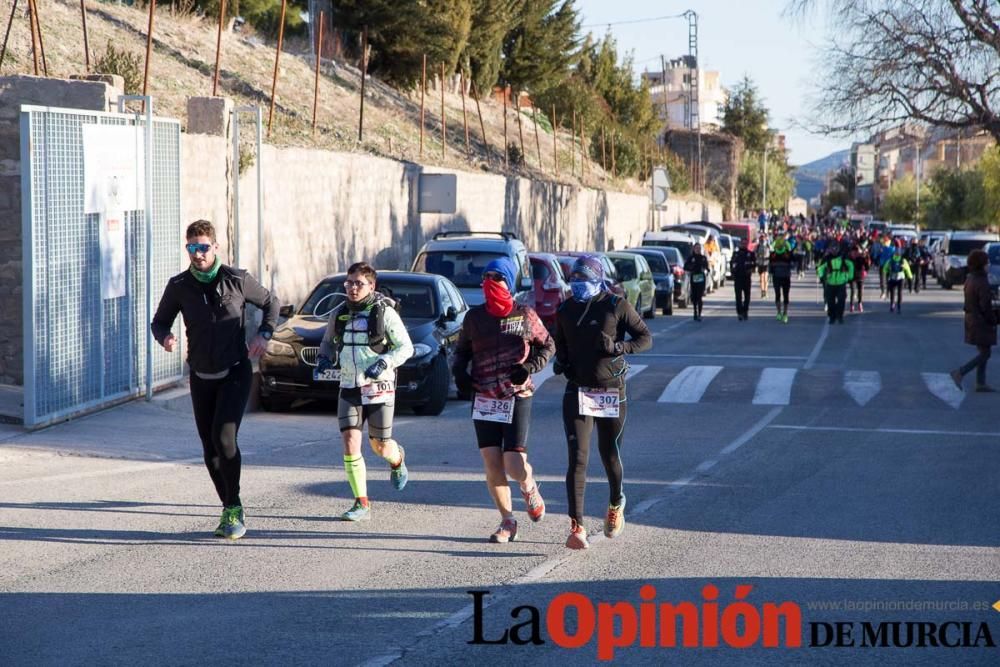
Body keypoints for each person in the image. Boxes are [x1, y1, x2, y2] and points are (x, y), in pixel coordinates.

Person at [151, 220, 279, 540]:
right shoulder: (179, 285)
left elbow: (271, 303)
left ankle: (233, 506)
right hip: (201, 374)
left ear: (215, 247)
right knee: (209, 448)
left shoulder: (237, 279)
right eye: (192, 248)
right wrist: (165, 337)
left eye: (203, 247)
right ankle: (228, 506)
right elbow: (159, 321)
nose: (197, 254)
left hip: (235, 370)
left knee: (225, 439)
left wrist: (265, 333)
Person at [452, 258, 554, 543]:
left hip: (516, 394)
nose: (490, 281)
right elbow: (462, 351)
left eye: (497, 277)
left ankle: (529, 486)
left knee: (514, 464)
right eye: (486, 276)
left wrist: (529, 368)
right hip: (484, 396)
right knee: (491, 462)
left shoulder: (524, 314)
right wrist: (459, 372)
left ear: (508, 282)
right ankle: (507, 521)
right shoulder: (474, 318)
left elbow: (547, 344)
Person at [554, 256, 652, 550]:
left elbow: (645, 337)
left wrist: (618, 347)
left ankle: (616, 501)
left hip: (610, 390)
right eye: (574, 282)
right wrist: (562, 364)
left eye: (584, 281)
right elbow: (560, 346)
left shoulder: (615, 305)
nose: (578, 287)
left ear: (598, 280)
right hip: (578, 391)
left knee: (609, 454)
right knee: (578, 458)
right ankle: (577, 526)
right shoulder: (565, 309)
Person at [316, 262, 413, 522]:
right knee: (349, 443)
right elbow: (328, 342)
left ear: (372, 286)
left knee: (380, 446)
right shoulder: (339, 313)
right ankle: (361, 503)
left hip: (379, 387)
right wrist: (324, 359)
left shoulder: (385, 313)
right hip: (349, 385)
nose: (353, 288)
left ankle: (397, 459)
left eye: (359, 283)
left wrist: (384, 362)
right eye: (349, 283)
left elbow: (406, 348)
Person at [950, 249, 997, 392]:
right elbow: (985, 305)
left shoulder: (971, 278)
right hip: (980, 320)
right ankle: (960, 372)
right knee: (985, 353)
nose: (988, 265)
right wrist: (993, 319)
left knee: (984, 349)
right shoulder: (982, 281)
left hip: (972, 318)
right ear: (981, 264)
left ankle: (980, 383)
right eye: (987, 262)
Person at [817, 243, 854, 324]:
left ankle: (840, 316)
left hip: (841, 282)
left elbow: (851, 265)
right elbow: (820, 268)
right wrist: (822, 277)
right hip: (830, 283)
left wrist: (849, 277)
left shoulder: (843, 258)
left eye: (836, 249)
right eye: (833, 249)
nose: (834, 251)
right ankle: (832, 317)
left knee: (841, 301)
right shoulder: (827, 258)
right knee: (830, 302)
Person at [729, 236, 756, 320]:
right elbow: (732, 263)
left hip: (746, 277)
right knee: (738, 296)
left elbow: (754, 263)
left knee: (747, 296)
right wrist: (733, 272)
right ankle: (739, 312)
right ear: (740, 244)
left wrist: (750, 267)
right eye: (742, 243)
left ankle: (745, 311)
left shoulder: (750, 254)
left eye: (745, 243)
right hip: (738, 277)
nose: (743, 245)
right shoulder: (736, 254)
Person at [769, 235, 793, 323]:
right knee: (779, 295)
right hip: (778, 276)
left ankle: (784, 313)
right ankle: (780, 313)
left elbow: (791, 257)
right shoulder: (773, 254)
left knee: (784, 295)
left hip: (785, 276)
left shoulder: (786, 253)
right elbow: (771, 264)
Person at [683, 243, 711, 321]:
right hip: (693, 278)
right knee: (694, 297)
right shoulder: (691, 258)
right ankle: (695, 311)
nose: (698, 250)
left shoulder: (703, 258)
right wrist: (691, 268)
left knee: (699, 296)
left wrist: (705, 269)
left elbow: (707, 267)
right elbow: (685, 267)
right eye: (696, 248)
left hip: (701, 279)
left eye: (699, 248)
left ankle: (699, 314)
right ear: (694, 249)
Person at [881, 246, 912, 313]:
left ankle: (892, 305)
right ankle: (899, 306)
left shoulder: (890, 260)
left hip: (892, 277)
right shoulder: (903, 260)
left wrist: (884, 275)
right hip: (901, 278)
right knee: (899, 292)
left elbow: (885, 269)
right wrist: (910, 278)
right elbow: (908, 270)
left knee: (892, 292)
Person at [847, 242, 871, 312]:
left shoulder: (861, 257)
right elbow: (845, 266)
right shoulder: (849, 258)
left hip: (860, 276)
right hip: (852, 277)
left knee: (860, 291)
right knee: (853, 291)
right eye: (853, 251)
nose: (855, 253)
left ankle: (860, 303)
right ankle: (852, 305)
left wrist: (867, 257)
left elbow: (867, 266)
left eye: (856, 251)